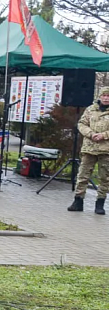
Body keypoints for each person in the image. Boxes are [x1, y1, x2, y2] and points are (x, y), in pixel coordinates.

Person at [67, 86, 109, 214]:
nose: (106, 98)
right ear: (100, 97)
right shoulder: (90, 109)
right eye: (104, 95)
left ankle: (100, 203)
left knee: (105, 178)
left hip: (106, 149)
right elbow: (81, 124)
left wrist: (104, 135)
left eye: (108, 96)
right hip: (89, 148)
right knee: (82, 175)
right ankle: (78, 201)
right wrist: (91, 134)